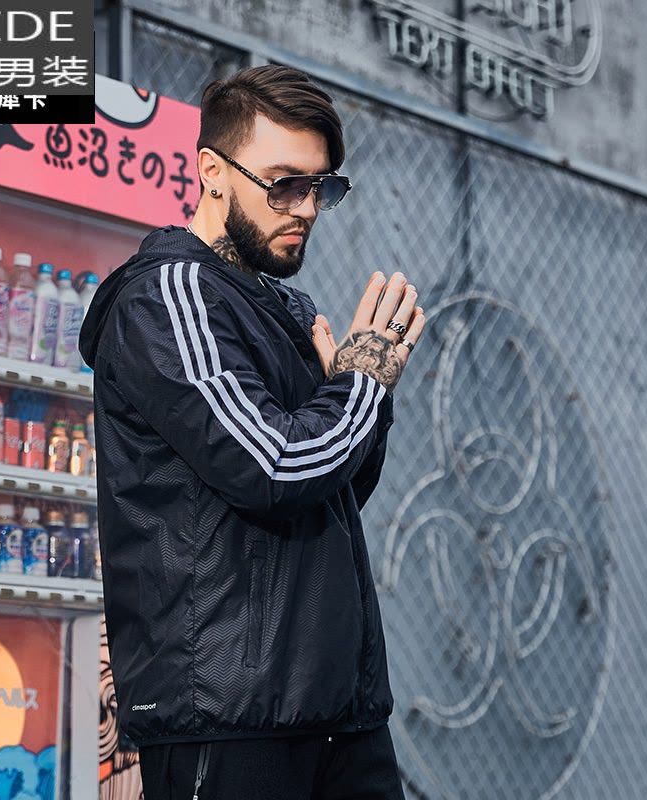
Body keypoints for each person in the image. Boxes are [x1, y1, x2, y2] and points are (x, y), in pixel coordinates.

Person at [78, 64, 425, 800]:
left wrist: (360, 397)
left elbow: (335, 492)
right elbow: (277, 468)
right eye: (283, 184)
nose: (307, 208)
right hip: (229, 717)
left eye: (321, 187)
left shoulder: (284, 310)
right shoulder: (169, 296)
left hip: (339, 711)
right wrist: (362, 384)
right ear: (212, 171)